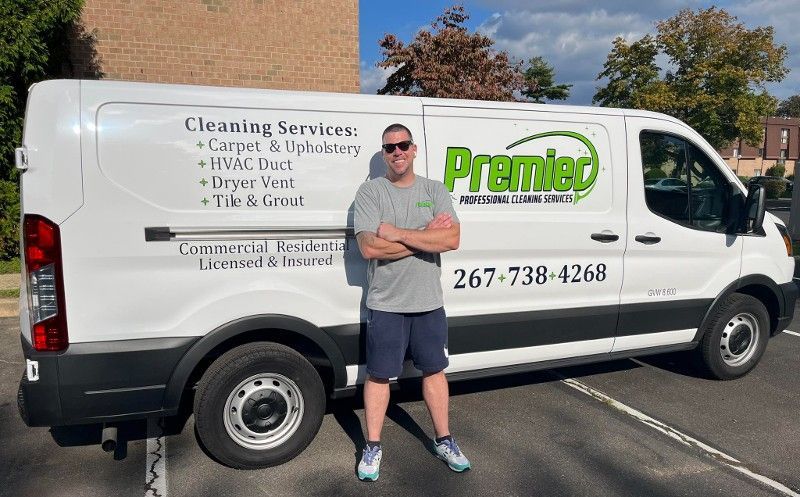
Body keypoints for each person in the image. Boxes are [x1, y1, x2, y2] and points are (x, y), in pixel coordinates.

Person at [352, 123, 470, 481]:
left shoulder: (434, 189)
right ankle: (372, 446)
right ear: (384, 153)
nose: (397, 152)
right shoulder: (371, 192)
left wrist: (398, 233)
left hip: (428, 301)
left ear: (414, 148)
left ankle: (444, 439)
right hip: (386, 302)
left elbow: (451, 240)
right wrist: (425, 235)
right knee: (378, 375)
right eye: (390, 148)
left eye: (403, 145)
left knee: (434, 370)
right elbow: (369, 248)